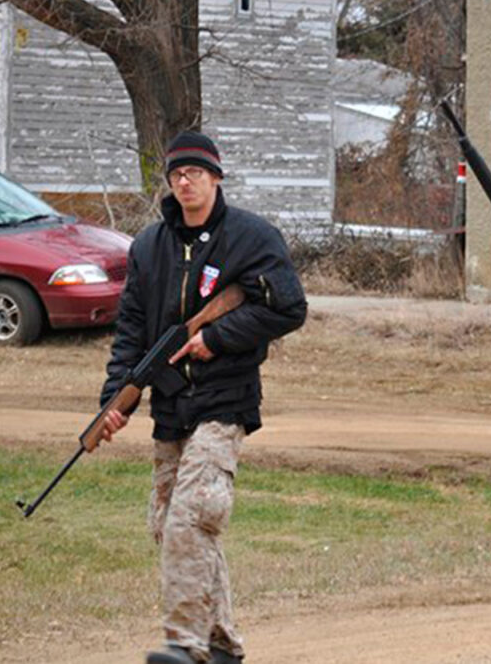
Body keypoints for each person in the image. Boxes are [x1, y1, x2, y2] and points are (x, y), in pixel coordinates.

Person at [97, 130, 307, 664]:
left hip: (225, 401)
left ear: (215, 177)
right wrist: (114, 401)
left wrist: (216, 338)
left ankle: (186, 647)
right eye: (176, 174)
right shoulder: (148, 246)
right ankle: (222, 645)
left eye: (194, 172)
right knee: (167, 526)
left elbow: (288, 309)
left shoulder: (251, 238)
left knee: (193, 517)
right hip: (171, 408)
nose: (184, 182)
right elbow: (132, 333)